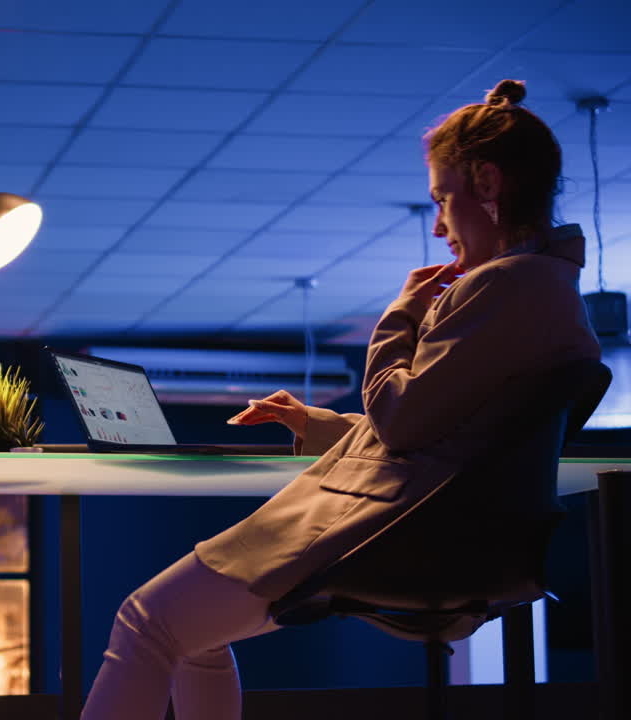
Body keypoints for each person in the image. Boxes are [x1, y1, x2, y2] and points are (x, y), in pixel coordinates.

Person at [78, 79, 602, 720]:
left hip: (382, 529)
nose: (439, 226)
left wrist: (401, 315)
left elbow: (405, 424)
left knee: (145, 620)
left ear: (488, 185)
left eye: (443, 199)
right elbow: (454, 431)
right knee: (194, 638)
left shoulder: (499, 288)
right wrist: (316, 423)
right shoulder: (550, 289)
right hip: (429, 521)